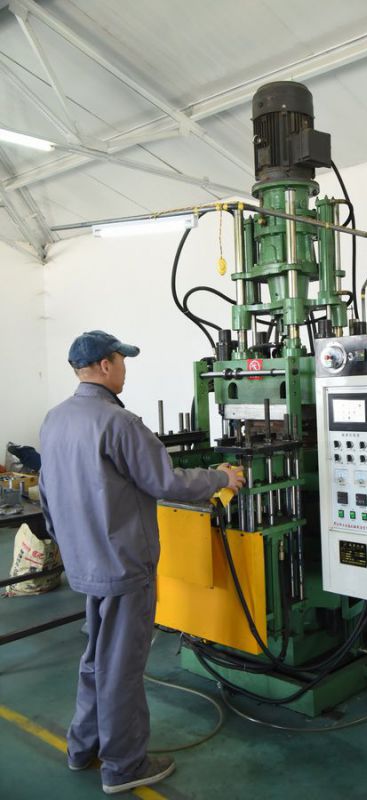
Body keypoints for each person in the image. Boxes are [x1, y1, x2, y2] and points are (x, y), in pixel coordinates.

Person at [39, 330, 245, 795]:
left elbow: (48, 494)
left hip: (86, 562)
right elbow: (166, 482)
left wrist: (70, 544)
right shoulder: (120, 423)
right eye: (122, 361)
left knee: (96, 658)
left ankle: (82, 747)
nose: (125, 369)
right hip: (123, 565)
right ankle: (124, 766)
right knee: (122, 667)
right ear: (105, 365)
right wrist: (221, 477)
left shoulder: (55, 419)